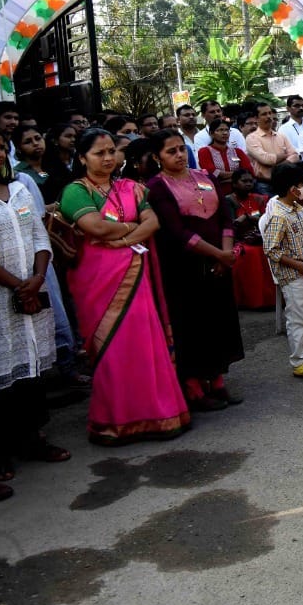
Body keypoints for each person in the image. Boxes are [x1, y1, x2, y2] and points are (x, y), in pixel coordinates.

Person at [59, 128, 191, 444]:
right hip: (98, 283)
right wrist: (133, 229)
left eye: (111, 151)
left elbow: (153, 223)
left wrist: (122, 239)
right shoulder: (75, 191)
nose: (108, 158)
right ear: (82, 158)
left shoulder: (132, 188)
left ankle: (160, 416)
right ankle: (114, 422)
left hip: (137, 277)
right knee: (113, 349)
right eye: (98, 153)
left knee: (145, 344)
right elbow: (94, 226)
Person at [0, 125, 68, 499]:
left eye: (3, 148)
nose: (0, 154)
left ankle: (33, 437)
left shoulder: (17, 190)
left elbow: (38, 235)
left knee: (31, 365)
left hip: (33, 287)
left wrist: (38, 276)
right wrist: (15, 283)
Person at [146, 129, 245, 411]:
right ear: (157, 157)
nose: (179, 155)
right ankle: (192, 388)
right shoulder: (157, 187)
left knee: (218, 321)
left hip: (218, 264)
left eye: (181, 149)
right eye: (170, 151)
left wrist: (225, 255)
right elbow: (176, 232)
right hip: (184, 269)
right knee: (191, 326)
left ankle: (216, 382)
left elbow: (226, 217)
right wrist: (218, 255)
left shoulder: (205, 177)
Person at [262, 162, 303, 379]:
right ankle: (300, 360)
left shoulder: (298, 210)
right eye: (302, 185)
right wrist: (299, 265)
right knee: (298, 317)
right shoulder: (279, 215)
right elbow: (271, 249)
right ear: (293, 189)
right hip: (292, 276)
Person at [226, 168, 277, 310]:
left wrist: (249, 218)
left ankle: (271, 300)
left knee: (266, 250)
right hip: (239, 240)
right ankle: (253, 301)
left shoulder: (259, 198)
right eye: (244, 181)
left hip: (259, 238)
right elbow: (230, 224)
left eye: (250, 181)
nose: (248, 184)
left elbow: (267, 218)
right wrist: (245, 220)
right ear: (235, 184)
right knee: (250, 253)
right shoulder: (228, 201)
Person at [245, 103, 300, 195]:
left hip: (285, 183)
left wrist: (282, 165)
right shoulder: (252, 138)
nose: (269, 117)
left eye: (270, 113)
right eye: (264, 114)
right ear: (256, 118)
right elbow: (266, 159)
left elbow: (295, 155)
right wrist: (284, 156)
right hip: (264, 185)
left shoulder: (281, 136)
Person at [196, 118, 253, 196]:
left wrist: (225, 179)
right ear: (211, 133)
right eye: (220, 130)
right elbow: (213, 173)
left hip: (240, 193)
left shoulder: (237, 152)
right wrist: (238, 175)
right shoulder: (204, 152)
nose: (225, 133)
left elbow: (249, 171)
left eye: (227, 130)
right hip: (216, 193)